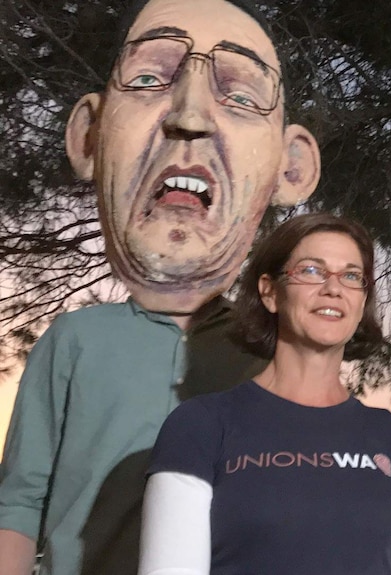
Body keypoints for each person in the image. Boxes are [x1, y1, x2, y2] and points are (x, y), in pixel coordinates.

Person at [0, 0, 320, 574]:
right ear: (89, 137)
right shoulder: (74, 340)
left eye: (242, 95)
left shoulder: (274, 355)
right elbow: (19, 502)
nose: (189, 115)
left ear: (290, 167)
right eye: (149, 78)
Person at [138, 213, 391, 575]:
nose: (334, 288)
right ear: (269, 292)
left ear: (362, 302)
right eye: (312, 271)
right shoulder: (201, 426)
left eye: (351, 276)